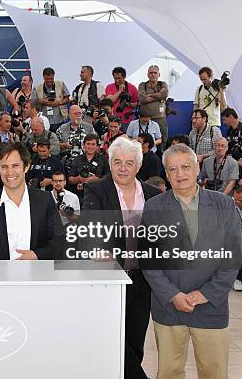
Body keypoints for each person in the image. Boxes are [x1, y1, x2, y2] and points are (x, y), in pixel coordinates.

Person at [140, 144, 240, 379]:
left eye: (186, 166)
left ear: (197, 168)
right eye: (172, 169)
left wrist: (206, 293)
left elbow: (232, 256)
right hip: (169, 306)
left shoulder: (223, 205)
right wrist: (173, 294)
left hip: (210, 305)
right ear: (166, 173)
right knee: (169, 372)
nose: (180, 174)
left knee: (213, 372)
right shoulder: (154, 207)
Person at [82, 136, 162, 379]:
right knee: (113, 341)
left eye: (129, 163)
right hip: (110, 280)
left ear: (138, 166)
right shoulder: (96, 190)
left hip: (142, 281)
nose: (123, 168)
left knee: (135, 342)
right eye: (117, 162)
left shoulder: (152, 194)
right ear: (110, 163)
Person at [0, 142, 63, 260]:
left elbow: (59, 240)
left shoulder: (44, 200)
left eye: (15, 165)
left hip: (36, 275)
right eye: (4, 167)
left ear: (26, 167)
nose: (9, 172)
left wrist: (36, 255)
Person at [138, 65, 169, 147]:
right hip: (146, 119)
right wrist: (158, 96)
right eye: (151, 73)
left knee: (162, 140)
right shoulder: (142, 85)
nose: (153, 75)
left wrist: (150, 95)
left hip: (160, 118)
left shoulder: (163, 84)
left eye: (155, 73)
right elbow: (142, 99)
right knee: (145, 141)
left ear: (159, 74)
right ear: (147, 74)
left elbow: (164, 94)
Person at [34, 67, 70, 132]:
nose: (49, 81)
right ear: (43, 77)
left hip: (59, 119)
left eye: (51, 78)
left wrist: (59, 103)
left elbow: (67, 99)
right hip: (44, 121)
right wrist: (42, 101)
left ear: (54, 76)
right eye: (47, 79)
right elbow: (33, 102)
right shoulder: (37, 88)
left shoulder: (60, 84)